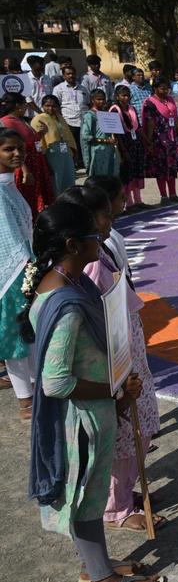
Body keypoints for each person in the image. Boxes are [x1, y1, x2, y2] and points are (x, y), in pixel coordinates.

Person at [20, 200, 166, 582]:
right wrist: (112, 391)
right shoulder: (65, 305)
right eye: (91, 235)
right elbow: (56, 379)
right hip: (83, 418)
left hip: (94, 409)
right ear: (71, 244)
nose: (99, 238)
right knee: (85, 495)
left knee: (91, 491)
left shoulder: (62, 281)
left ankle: (95, 564)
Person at [61, 179, 164, 533]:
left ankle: (123, 493)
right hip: (116, 362)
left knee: (139, 427)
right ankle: (116, 507)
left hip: (128, 352)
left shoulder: (100, 250)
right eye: (103, 215)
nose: (110, 220)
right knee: (125, 434)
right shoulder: (88, 265)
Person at [0, 126, 33, 419]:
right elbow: (6, 238)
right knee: (15, 336)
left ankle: (36, 391)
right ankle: (25, 400)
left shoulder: (9, 184)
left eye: (19, 149)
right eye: (8, 149)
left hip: (25, 266)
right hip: (10, 273)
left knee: (30, 332)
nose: (16, 153)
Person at [1, 93, 54, 215]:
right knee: (27, 197)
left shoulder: (21, 120)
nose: (26, 107)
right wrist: (25, 170)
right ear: (18, 106)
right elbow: (15, 148)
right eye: (25, 104)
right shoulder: (6, 122)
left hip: (35, 163)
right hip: (24, 164)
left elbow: (31, 141)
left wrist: (41, 133)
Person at [141, 80, 178, 203]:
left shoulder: (170, 100)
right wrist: (149, 142)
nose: (165, 91)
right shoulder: (149, 103)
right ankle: (164, 196)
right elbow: (150, 122)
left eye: (167, 89)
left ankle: (173, 194)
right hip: (158, 139)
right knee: (161, 168)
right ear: (155, 88)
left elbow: (175, 119)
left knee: (172, 166)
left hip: (172, 138)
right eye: (162, 88)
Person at [31, 95, 78, 196]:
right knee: (56, 181)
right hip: (51, 154)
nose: (50, 108)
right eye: (47, 105)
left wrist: (73, 152)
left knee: (68, 178)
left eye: (54, 106)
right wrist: (43, 161)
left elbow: (68, 135)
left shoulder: (59, 117)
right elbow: (37, 142)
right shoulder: (38, 119)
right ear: (42, 106)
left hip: (65, 153)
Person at [109, 86, 146, 209]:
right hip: (123, 143)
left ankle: (138, 200)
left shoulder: (132, 108)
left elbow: (138, 126)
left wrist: (146, 142)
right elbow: (116, 132)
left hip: (135, 142)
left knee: (136, 171)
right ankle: (128, 203)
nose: (125, 98)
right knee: (127, 174)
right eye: (123, 95)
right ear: (117, 96)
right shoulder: (115, 110)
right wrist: (123, 149)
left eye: (127, 95)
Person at [52, 64, 88, 165]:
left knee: (83, 143)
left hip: (83, 121)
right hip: (68, 121)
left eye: (73, 73)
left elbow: (88, 103)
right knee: (72, 144)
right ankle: (73, 163)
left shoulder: (82, 88)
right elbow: (56, 105)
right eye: (68, 74)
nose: (71, 76)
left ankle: (83, 162)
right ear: (64, 76)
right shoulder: (58, 89)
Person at [81, 90, 119, 180]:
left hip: (110, 150)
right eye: (98, 99)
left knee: (110, 177)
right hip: (98, 150)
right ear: (92, 100)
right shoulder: (89, 116)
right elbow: (86, 136)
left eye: (103, 99)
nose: (101, 101)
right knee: (98, 178)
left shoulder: (106, 115)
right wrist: (105, 140)